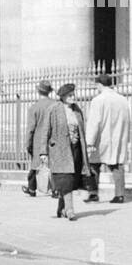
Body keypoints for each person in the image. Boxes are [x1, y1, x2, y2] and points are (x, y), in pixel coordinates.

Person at [85, 73, 131, 203]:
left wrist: (89, 142)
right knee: (117, 165)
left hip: (102, 139)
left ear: (99, 84)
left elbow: (94, 123)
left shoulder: (98, 100)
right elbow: (127, 120)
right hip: (118, 137)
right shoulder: (123, 99)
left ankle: (93, 193)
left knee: (93, 165)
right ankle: (119, 194)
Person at [45, 82, 86, 219]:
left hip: (75, 149)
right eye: (69, 95)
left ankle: (60, 209)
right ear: (62, 97)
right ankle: (69, 210)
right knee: (66, 179)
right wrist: (43, 152)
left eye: (73, 94)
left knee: (70, 180)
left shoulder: (77, 110)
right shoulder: (54, 109)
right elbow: (45, 131)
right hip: (60, 150)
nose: (72, 97)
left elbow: (82, 130)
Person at [22, 80, 54, 198]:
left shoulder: (34, 108)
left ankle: (32, 188)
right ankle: (55, 190)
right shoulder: (55, 105)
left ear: (38, 91)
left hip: (38, 140)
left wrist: (27, 143)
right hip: (52, 139)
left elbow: (31, 128)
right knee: (53, 165)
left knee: (36, 166)